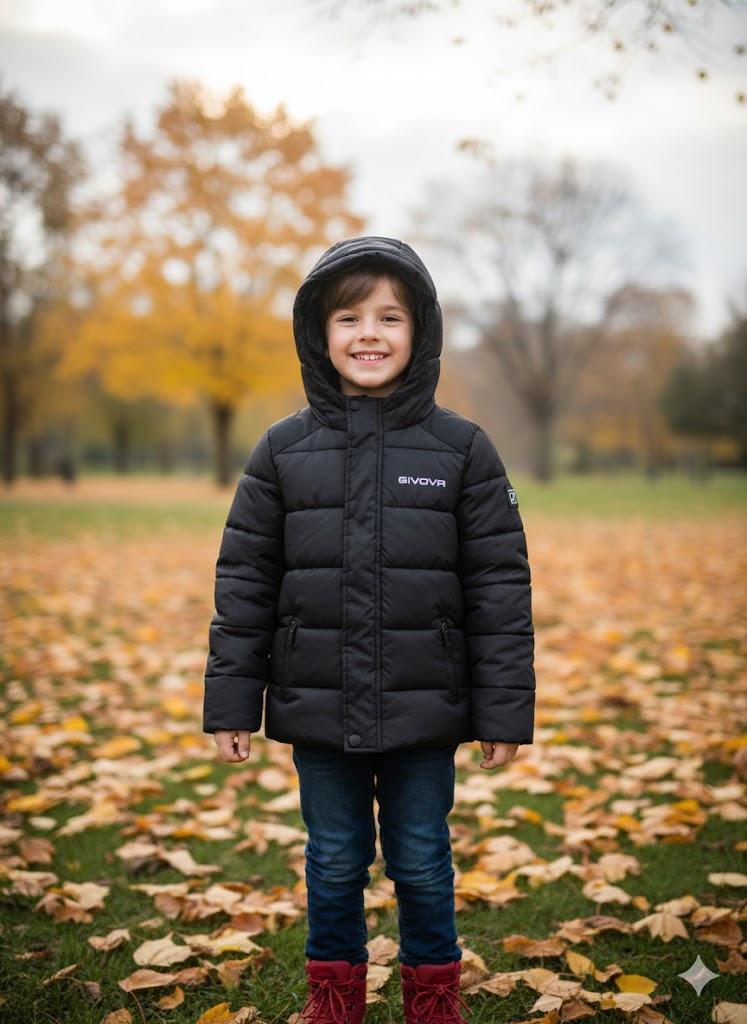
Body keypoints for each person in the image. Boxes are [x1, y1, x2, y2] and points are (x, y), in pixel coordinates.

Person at [203, 235, 536, 1024]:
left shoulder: (461, 451)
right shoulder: (282, 452)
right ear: (318, 335)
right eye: (348, 317)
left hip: (426, 710)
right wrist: (229, 702)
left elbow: (498, 588)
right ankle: (335, 1000)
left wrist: (502, 713)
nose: (369, 334)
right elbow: (245, 580)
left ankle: (431, 1000)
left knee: (421, 860)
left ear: (421, 331)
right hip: (318, 705)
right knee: (332, 860)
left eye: (390, 316)